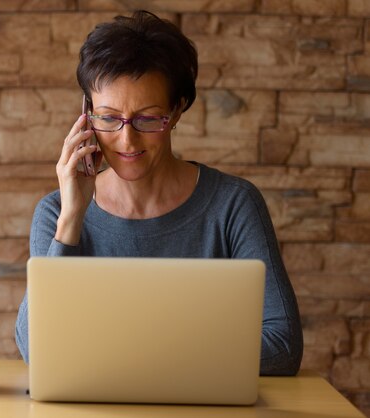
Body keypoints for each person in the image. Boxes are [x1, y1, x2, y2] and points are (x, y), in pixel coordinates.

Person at [15, 10, 303, 376]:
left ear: (178, 109)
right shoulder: (56, 213)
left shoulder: (233, 205)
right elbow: (36, 350)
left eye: (148, 118)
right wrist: (72, 217)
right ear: (86, 114)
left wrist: (132, 358)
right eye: (107, 117)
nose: (126, 139)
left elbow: (284, 345)